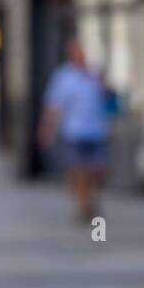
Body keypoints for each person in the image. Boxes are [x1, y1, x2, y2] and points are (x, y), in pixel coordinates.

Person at [38, 39, 111, 222]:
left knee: (97, 170)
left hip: (96, 130)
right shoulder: (64, 77)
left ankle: (91, 197)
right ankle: (82, 204)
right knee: (77, 170)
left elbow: (106, 98)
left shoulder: (93, 75)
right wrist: (47, 129)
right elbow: (54, 106)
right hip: (75, 131)